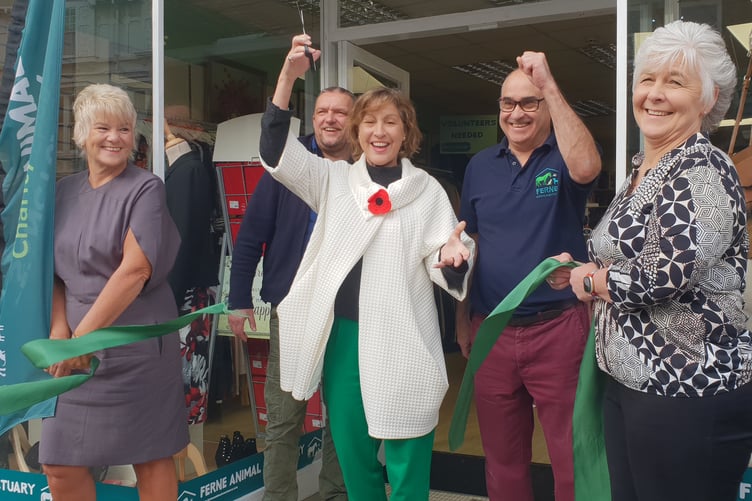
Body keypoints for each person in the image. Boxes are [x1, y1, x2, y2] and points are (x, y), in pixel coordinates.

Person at [256, 34, 474, 500]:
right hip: (344, 339)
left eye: (390, 122)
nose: (379, 131)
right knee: (355, 459)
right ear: (356, 133)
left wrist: (453, 259)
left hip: (405, 337)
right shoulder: (332, 180)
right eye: (369, 122)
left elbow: (445, 254)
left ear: (405, 131)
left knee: (408, 455)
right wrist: (288, 77)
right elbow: (276, 152)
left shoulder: (427, 192)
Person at [550, 20, 752, 501]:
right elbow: (632, 252)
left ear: (709, 98)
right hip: (636, 383)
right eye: (648, 79)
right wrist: (580, 263)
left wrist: (593, 280)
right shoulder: (648, 166)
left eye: (676, 82)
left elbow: (664, 275)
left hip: (688, 390)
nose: (655, 94)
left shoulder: (701, 168)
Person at [456, 51, 601, 501]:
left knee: (571, 456)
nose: (516, 113)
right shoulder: (479, 166)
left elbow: (588, 168)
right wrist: (463, 319)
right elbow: (469, 244)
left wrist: (549, 84)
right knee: (502, 461)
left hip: (558, 329)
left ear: (545, 106)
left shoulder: (563, 157)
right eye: (507, 103)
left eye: (529, 102)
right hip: (492, 330)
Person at [40, 83, 187, 501]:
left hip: (136, 346)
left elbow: (135, 269)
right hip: (73, 348)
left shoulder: (147, 188)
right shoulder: (63, 192)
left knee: (152, 456)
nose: (115, 138)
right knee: (58, 463)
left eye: (124, 129)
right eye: (103, 127)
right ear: (82, 134)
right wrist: (59, 331)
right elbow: (52, 273)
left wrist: (81, 339)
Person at [228, 86, 355, 500]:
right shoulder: (288, 166)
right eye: (322, 112)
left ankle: (335, 494)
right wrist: (238, 299)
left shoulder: (367, 168)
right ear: (313, 118)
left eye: (340, 112)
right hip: (295, 311)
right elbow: (250, 237)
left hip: (349, 313)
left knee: (344, 416)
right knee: (284, 418)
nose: (330, 119)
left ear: (353, 119)